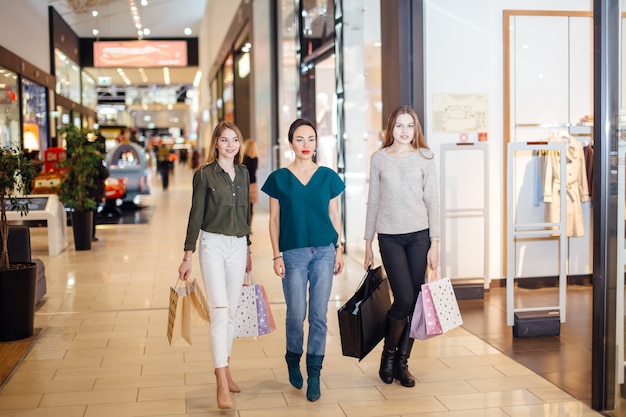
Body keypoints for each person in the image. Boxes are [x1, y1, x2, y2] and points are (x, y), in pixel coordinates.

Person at [261, 118, 345, 402]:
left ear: (317, 142)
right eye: (300, 139)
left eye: (310, 139)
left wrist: (340, 248)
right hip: (293, 253)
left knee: (319, 316)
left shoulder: (328, 177)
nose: (306, 144)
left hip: (324, 250)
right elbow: (273, 221)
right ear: (290, 143)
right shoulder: (279, 179)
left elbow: (334, 215)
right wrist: (276, 255)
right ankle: (292, 357)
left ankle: (315, 373)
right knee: (296, 314)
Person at [363, 105, 440, 388]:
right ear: (391, 128)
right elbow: (373, 200)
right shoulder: (379, 158)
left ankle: (402, 364)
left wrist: (436, 243)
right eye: (399, 126)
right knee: (404, 298)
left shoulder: (425, 157)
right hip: (390, 237)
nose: (405, 131)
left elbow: (433, 201)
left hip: (420, 236)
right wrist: (367, 242)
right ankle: (388, 354)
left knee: (416, 299)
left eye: (409, 126)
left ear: (415, 129)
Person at [178, 121, 252, 410]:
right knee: (220, 312)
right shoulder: (205, 175)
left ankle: (226, 368)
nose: (231, 145)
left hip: (237, 245)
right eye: (225, 140)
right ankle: (221, 382)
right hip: (212, 245)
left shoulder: (244, 173)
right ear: (216, 143)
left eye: (235, 139)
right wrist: (187, 255)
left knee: (231, 312)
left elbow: (245, 211)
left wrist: (247, 248)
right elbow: (195, 214)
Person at [89, 150, 110, 242]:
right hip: (95, 191)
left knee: (86, 213)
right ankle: (91, 234)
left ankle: (88, 234)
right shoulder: (96, 161)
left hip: (83, 193)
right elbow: (105, 174)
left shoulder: (79, 160)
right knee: (93, 214)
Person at [242, 138, 259, 224]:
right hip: (253, 183)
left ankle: (245, 225)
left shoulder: (244, 158)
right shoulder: (255, 159)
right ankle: (249, 226)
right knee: (251, 206)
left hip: (244, 183)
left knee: (244, 206)